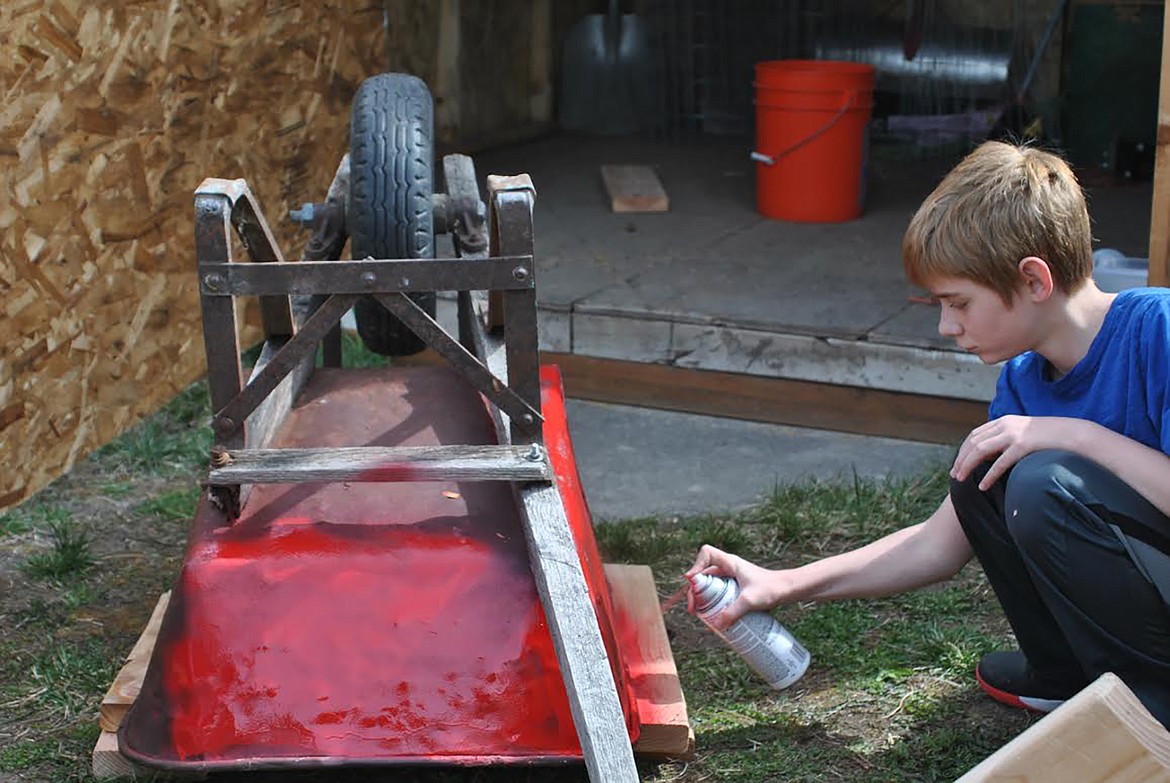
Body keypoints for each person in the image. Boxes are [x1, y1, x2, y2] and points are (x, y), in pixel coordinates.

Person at [687, 140, 1170, 727]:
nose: (946, 326)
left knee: (1041, 476)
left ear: (1035, 280)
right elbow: (938, 543)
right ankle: (1069, 677)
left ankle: (1150, 706)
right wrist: (781, 584)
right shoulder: (1022, 382)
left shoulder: (1157, 330)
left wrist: (1071, 434)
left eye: (958, 302)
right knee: (982, 476)